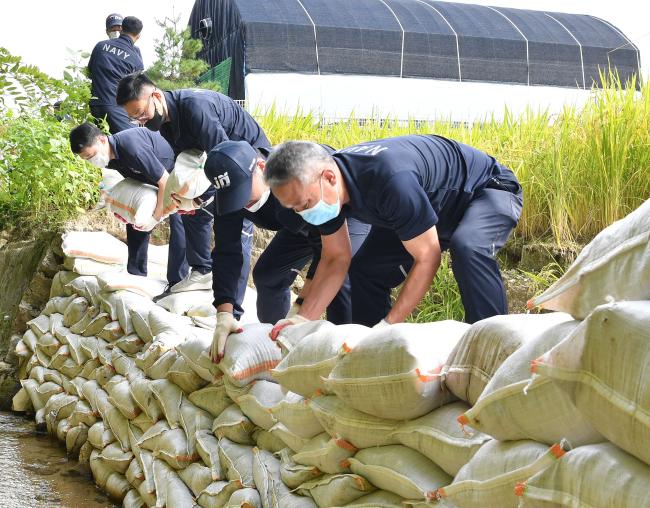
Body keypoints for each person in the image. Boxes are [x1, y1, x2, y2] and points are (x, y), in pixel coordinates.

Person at [264, 134, 523, 332]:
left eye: (306, 204)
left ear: (329, 177)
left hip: (486, 191)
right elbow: (335, 258)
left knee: (468, 247)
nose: (303, 213)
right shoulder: (328, 194)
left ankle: (492, 341)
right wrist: (302, 320)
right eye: (294, 208)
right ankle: (369, 352)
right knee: (363, 270)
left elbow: (427, 256)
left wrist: (388, 326)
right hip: (428, 211)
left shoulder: (388, 179)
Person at [203, 141, 371, 360]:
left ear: (262, 169)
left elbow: (328, 256)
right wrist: (224, 313)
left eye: (243, 191)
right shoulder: (230, 198)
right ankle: (276, 340)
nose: (241, 202)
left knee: (340, 281)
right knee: (267, 274)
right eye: (233, 196)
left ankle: (346, 355)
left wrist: (301, 309)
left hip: (334, 211)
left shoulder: (289, 179)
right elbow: (226, 252)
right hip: (298, 223)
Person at [115, 71, 271, 300]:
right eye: (135, 119)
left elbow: (223, 161)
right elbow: (186, 166)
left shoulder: (195, 108)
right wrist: (184, 199)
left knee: (234, 226)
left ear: (156, 96)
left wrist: (200, 198)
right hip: (222, 160)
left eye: (141, 113)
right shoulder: (166, 122)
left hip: (249, 164)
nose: (141, 121)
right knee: (191, 212)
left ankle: (232, 307)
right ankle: (201, 271)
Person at [69, 122, 210, 289]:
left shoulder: (131, 148)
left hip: (175, 174)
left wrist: (156, 217)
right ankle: (135, 274)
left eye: (91, 155)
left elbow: (164, 181)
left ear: (101, 139)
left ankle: (176, 281)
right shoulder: (109, 158)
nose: (92, 161)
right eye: (86, 159)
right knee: (137, 219)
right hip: (152, 178)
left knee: (178, 219)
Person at [88, 16, 144, 134]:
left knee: (105, 146)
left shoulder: (100, 46)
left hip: (96, 106)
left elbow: (90, 71)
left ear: (121, 30)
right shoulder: (135, 58)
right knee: (133, 141)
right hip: (117, 108)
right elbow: (136, 89)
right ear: (138, 36)